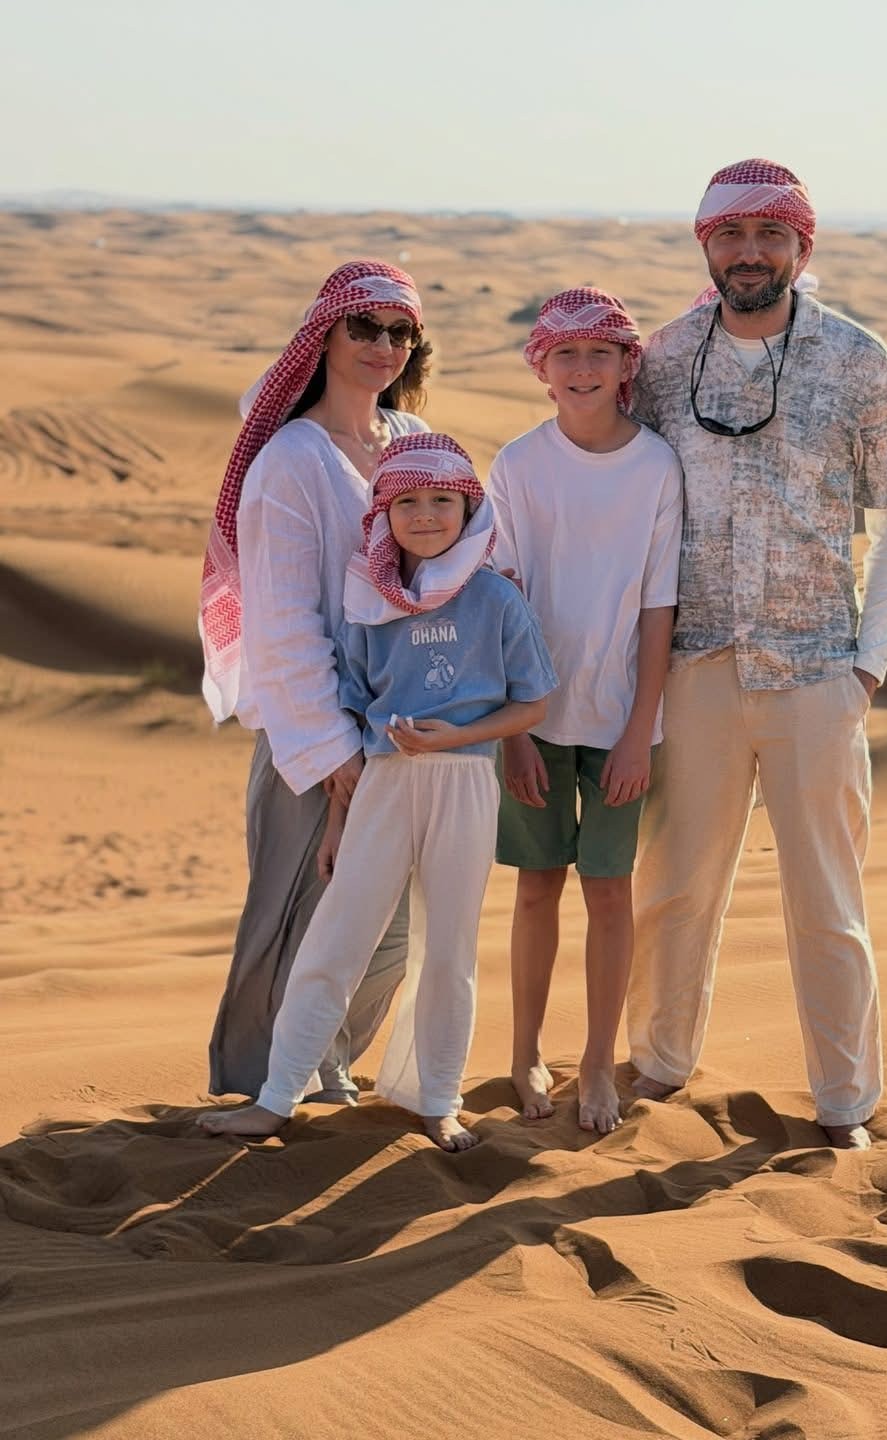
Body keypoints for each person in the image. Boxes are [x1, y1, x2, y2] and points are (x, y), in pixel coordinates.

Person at [628, 159, 887, 1150]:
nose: (749, 253)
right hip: (695, 672)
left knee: (827, 902)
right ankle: (660, 1067)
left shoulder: (859, 360)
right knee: (673, 888)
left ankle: (844, 1102)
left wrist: (866, 663)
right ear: (704, 245)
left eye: (770, 235)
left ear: (803, 245)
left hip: (815, 673)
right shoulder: (661, 361)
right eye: (730, 235)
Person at [199, 432, 557, 1150]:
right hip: (383, 785)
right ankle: (276, 1096)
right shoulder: (367, 601)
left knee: (450, 949)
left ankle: (439, 1099)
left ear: (468, 508)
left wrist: (448, 739)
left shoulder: (496, 598)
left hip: (463, 785)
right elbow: (359, 714)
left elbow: (534, 706)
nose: (426, 516)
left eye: (442, 501)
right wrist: (337, 824)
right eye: (408, 502)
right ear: (383, 513)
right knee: (336, 940)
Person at [199, 260, 431, 1104]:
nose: (382, 346)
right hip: (316, 740)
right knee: (296, 925)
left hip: (408, 733)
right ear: (324, 336)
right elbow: (284, 622)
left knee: (390, 936)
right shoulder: (290, 459)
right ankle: (258, 1091)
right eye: (363, 327)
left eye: (399, 332)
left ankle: (324, 1060)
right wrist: (337, 752)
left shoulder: (411, 444)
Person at [488, 288, 683, 1136]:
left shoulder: (657, 468)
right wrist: (518, 732)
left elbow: (657, 610)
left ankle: (598, 1064)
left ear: (625, 366)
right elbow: (509, 599)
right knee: (537, 889)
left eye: (599, 354)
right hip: (533, 718)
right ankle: (525, 1050)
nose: (581, 370)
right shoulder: (518, 467)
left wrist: (639, 730)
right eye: (564, 355)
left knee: (611, 892)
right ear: (542, 369)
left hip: (625, 726)